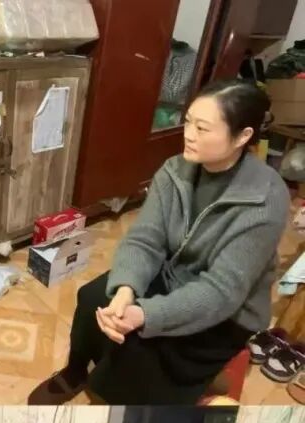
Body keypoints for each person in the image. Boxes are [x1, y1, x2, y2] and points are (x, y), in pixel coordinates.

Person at [30, 79, 290, 405]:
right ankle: (76, 370)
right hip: (174, 273)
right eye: (189, 121)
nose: (189, 134)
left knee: (138, 348)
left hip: (227, 313)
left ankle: (128, 391)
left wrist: (145, 314)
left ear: (242, 136)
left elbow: (222, 292)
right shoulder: (176, 170)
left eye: (203, 128)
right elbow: (146, 238)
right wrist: (126, 290)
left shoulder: (265, 198)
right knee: (94, 297)